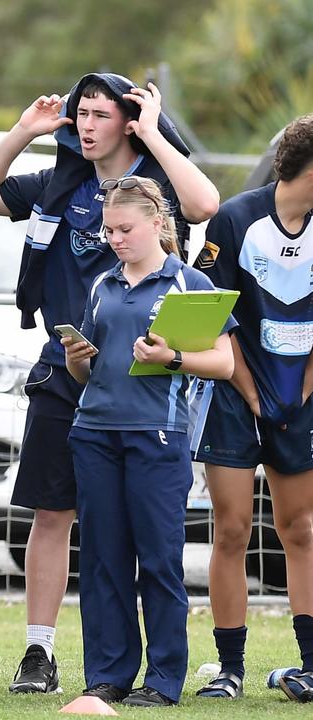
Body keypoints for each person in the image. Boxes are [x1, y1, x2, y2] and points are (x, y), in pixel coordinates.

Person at [0, 72, 219, 693]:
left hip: (146, 388)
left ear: (127, 120)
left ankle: (161, 676)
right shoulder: (60, 183)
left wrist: (155, 135)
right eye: (80, 113)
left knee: (149, 545)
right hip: (66, 375)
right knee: (55, 514)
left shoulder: (157, 184)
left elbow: (205, 206)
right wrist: (25, 131)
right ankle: (40, 652)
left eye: (99, 114)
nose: (84, 124)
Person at [62, 176, 234, 707]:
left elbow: (224, 364)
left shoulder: (189, 285)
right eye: (109, 229)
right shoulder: (101, 284)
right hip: (94, 433)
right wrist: (76, 360)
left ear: (158, 223)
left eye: (125, 228)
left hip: (158, 436)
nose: (114, 238)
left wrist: (173, 359)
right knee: (102, 559)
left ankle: (162, 680)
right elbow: (88, 375)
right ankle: (108, 674)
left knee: (158, 559)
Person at [191, 114, 313, 702]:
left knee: (302, 530)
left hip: (302, 399)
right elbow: (212, 317)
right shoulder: (235, 217)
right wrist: (249, 391)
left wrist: (305, 388)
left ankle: (309, 664)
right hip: (236, 399)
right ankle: (229, 670)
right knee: (233, 530)